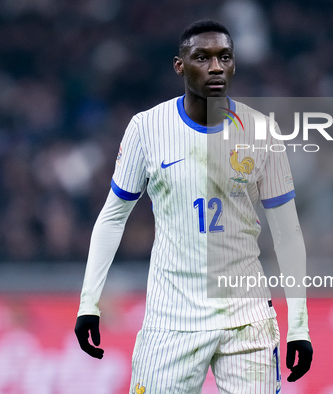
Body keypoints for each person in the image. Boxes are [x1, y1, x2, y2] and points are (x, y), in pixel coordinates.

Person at [74, 19, 313, 393]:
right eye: (202, 57)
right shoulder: (146, 128)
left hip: (247, 319)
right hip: (171, 320)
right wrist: (89, 302)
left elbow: (288, 234)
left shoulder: (263, 131)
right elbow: (112, 218)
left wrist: (299, 324)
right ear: (179, 65)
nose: (215, 67)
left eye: (224, 57)